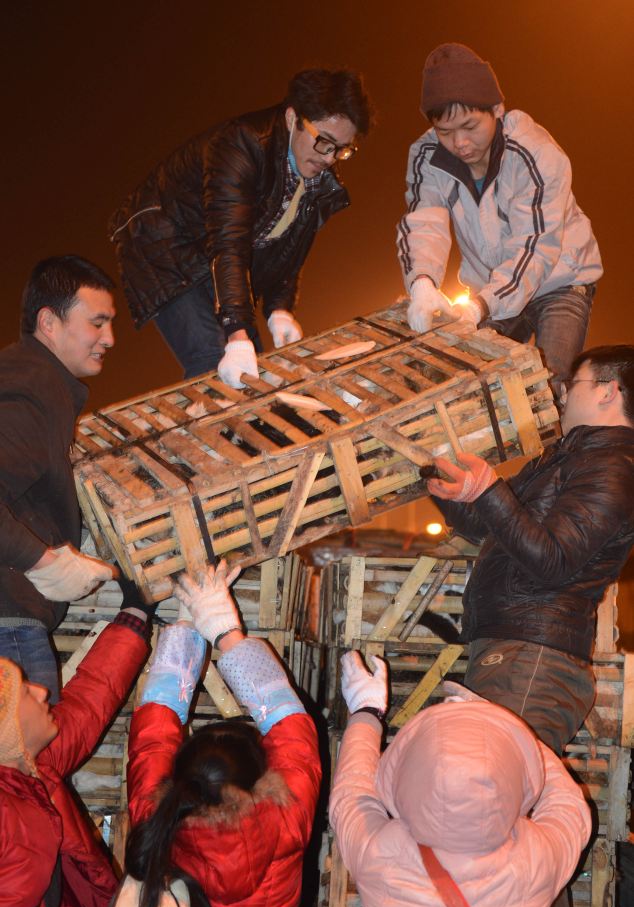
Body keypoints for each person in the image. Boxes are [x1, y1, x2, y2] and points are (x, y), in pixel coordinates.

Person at [426, 343, 634, 907]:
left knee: (505, 850)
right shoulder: (575, 455)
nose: (557, 389)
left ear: (608, 390)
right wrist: (448, 485)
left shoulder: (618, 465)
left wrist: (492, 492)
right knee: (506, 846)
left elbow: (553, 559)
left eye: (571, 380)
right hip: (515, 656)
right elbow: (498, 528)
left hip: (534, 663)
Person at [110, 562, 321, 907]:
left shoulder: (160, 816)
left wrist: (201, 627)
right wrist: (216, 625)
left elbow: (154, 737)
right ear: (260, 780)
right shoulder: (284, 819)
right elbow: (292, 729)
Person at [329, 652, 591, 907]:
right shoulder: (535, 861)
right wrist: (504, 732)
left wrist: (366, 712)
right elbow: (569, 806)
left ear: (409, 773)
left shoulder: (380, 854)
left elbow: (352, 794)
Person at [109, 68, 372, 385]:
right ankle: (207, 428)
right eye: (324, 142)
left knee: (255, 368)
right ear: (292, 118)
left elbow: (287, 250)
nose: (330, 158)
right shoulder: (240, 145)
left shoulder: (315, 183)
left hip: (214, 256)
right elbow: (229, 242)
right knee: (213, 358)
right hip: (164, 242)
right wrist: (236, 331)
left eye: (342, 149)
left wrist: (280, 308)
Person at [397, 42, 602, 391]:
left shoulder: (534, 153)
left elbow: (535, 247)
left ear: (496, 108)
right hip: (490, 288)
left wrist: (480, 307)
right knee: (468, 380)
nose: (460, 142)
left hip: (559, 281)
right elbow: (423, 222)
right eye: (445, 132)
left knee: (549, 386)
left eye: (470, 126)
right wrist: (422, 283)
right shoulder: (426, 156)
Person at [0, 594, 153, 907]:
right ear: (7, 730)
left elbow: (89, 703)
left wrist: (136, 614)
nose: (43, 691)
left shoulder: (33, 768)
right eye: (25, 692)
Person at [0, 256, 119, 702]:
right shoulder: (32, 388)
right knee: (25, 772)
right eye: (97, 323)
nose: (109, 339)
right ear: (49, 322)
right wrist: (45, 562)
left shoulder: (29, 380)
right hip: (7, 630)